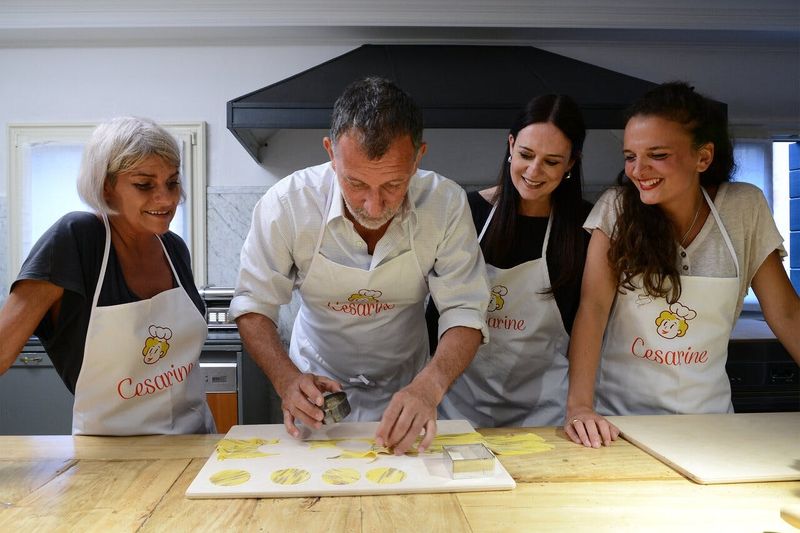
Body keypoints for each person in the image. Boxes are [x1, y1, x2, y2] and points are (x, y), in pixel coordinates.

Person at [231, 77, 490, 454]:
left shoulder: (445, 205)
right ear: (331, 153)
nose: (373, 206)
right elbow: (254, 304)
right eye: (355, 184)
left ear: (418, 157)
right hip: (316, 391)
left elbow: (465, 309)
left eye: (393, 185)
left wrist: (430, 386)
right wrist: (287, 379)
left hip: (409, 387)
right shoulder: (287, 205)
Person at [565, 82, 800, 448]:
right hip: (620, 426)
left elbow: (786, 313)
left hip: (712, 427)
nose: (638, 170)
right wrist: (579, 407)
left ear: (702, 157)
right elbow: (592, 309)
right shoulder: (617, 209)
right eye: (630, 156)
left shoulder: (743, 208)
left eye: (657, 155)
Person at [0, 117, 215, 435]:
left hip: (194, 443)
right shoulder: (77, 239)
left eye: (172, 182)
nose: (167, 199)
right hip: (109, 454)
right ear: (106, 187)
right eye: (144, 185)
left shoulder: (174, 249)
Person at [426, 94, 592, 427]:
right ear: (511, 145)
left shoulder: (585, 228)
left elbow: (587, 326)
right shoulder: (467, 212)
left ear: (571, 163)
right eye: (526, 155)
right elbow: (434, 316)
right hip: (458, 407)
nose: (534, 171)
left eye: (552, 161)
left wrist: (581, 407)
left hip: (545, 414)